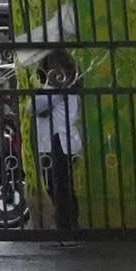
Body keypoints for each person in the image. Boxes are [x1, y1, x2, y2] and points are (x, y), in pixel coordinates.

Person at [33, 48, 83, 234]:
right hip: (62, 141)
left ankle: (66, 226)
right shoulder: (67, 90)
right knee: (60, 185)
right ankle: (68, 224)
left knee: (59, 186)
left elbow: (33, 108)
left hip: (58, 141)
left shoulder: (56, 91)